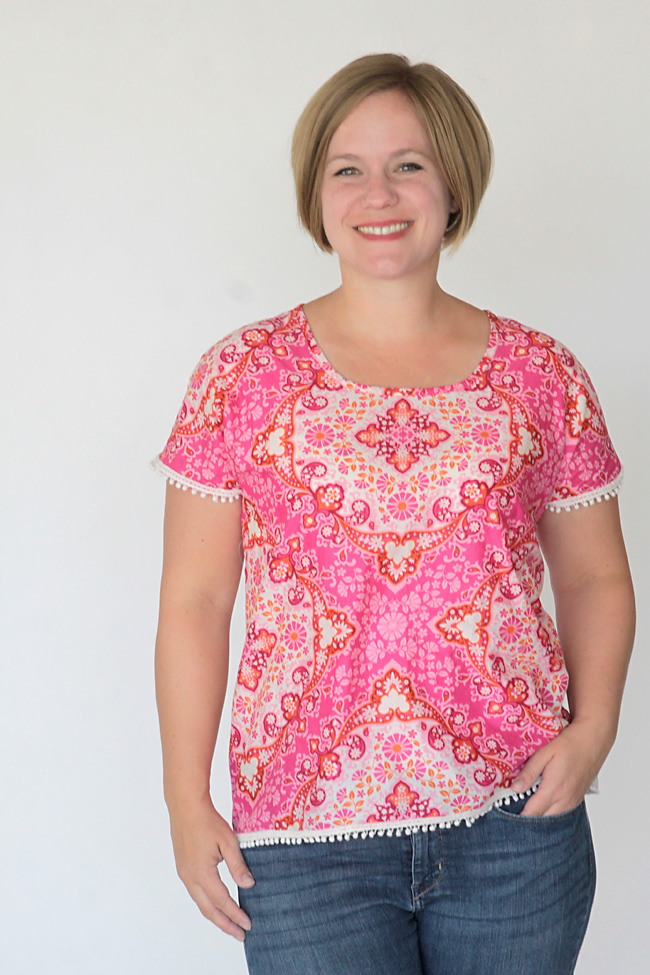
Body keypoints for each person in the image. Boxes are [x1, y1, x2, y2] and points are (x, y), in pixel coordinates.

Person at [152, 53, 636, 975]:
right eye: (349, 168)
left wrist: (594, 730)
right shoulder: (241, 375)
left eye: (409, 163)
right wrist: (185, 797)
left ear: (455, 182)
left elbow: (595, 576)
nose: (380, 192)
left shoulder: (542, 375)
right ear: (317, 192)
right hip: (301, 841)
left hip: (515, 824)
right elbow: (196, 600)